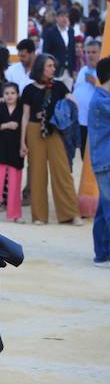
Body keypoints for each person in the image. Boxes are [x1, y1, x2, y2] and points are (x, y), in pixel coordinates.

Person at [19, 53, 80, 225]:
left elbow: (72, 102)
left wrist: (63, 112)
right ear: (40, 68)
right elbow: (25, 116)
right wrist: (22, 142)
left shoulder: (59, 86)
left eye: (53, 66)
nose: (53, 68)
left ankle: (71, 214)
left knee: (62, 172)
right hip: (33, 129)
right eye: (49, 66)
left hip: (54, 130)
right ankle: (39, 216)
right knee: (37, 173)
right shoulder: (29, 90)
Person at [0, 83, 25, 222]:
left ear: (18, 95)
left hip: (16, 150)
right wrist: (5, 125)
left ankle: (15, 215)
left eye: (12, 93)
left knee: (15, 184)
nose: (9, 95)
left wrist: (24, 146)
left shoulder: (22, 110)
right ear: (3, 95)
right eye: (7, 93)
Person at [88, 58, 110, 264]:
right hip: (106, 162)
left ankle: (102, 254)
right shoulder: (103, 101)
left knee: (105, 209)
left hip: (104, 161)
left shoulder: (101, 98)